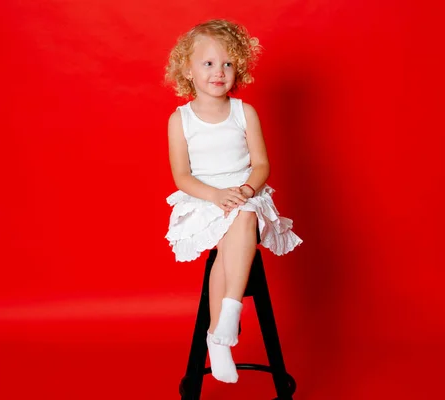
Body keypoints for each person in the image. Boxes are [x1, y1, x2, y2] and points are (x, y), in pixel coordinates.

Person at [164, 19, 302, 383]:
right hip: (204, 199)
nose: (219, 72)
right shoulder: (180, 120)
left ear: (237, 68)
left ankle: (223, 327)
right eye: (208, 64)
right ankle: (222, 328)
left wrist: (247, 189)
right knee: (229, 236)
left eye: (227, 64)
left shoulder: (245, 113)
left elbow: (261, 164)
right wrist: (216, 196)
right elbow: (182, 176)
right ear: (188, 71)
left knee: (242, 217)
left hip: (245, 195)